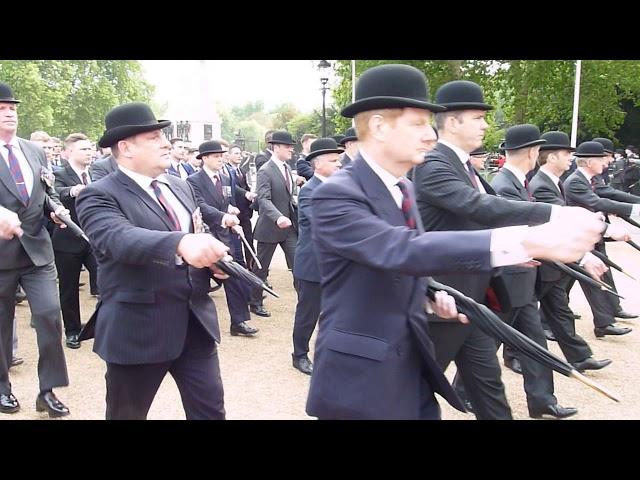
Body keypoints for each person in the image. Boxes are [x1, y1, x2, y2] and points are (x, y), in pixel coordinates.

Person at [305, 64, 604, 420]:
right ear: (379, 127)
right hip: (362, 376)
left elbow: (398, 263)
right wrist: (526, 241)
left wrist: (429, 295)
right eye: (417, 124)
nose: (430, 136)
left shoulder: (404, 189)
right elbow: (398, 249)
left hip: (410, 366)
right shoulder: (337, 194)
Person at [412, 79, 604, 419]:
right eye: (478, 117)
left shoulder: (460, 164)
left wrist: (520, 250)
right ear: (453, 121)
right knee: (410, 394)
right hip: (441, 302)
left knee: (491, 394)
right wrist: (558, 213)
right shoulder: (432, 162)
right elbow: (478, 207)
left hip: (472, 301)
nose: (486, 124)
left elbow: (490, 216)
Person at [76, 102, 230, 419]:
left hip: (194, 323)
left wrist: (211, 263)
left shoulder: (180, 185)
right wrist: (182, 243)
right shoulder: (98, 193)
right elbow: (117, 239)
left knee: (210, 411)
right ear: (125, 147)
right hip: (139, 330)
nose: (166, 143)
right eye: (153, 137)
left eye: (163, 135)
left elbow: (195, 231)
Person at [489, 124, 576, 418]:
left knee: (533, 340)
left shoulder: (517, 183)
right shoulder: (503, 186)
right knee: (485, 342)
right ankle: (464, 389)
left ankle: (542, 401)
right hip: (507, 278)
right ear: (532, 151)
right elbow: (517, 230)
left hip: (522, 279)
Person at [0, 82, 70, 417]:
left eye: (12, 107)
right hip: (0, 256)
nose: (9, 112)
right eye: (1, 108)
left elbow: (46, 191)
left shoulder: (33, 150)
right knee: (1, 324)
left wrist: (55, 209)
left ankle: (47, 391)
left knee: (48, 316)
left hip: (39, 252)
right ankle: (1, 388)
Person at [529, 131, 612, 372]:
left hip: (553, 261)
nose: (571, 158)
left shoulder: (555, 182)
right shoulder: (541, 185)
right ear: (552, 157)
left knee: (559, 310)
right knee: (514, 317)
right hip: (543, 259)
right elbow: (558, 221)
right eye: (567, 153)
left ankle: (580, 356)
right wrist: (593, 236)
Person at [563, 141, 636, 338]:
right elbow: (596, 201)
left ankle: (609, 313)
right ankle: (604, 321)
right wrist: (632, 209)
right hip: (581, 236)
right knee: (588, 279)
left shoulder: (590, 179)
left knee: (576, 280)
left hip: (593, 235)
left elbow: (607, 196)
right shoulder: (576, 181)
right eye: (602, 158)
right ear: (588, 162)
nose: (607, 162)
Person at [187, 140, 259, 337]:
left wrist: (231, 212)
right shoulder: (193, 180)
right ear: (205, 158)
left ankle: (239, 321)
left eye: (222, 156)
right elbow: (200, 205)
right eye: (217, 157)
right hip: (204, 237)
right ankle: (196, 325)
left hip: (225, 237)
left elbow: (224, 202)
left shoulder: (225, 178)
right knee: (199, 284)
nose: (221, 159)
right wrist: (223, 216)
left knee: (234, 277)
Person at [291, 138, 343, 375]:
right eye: (334, 161)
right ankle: (299, 355)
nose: (339, 165)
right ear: (318, 164)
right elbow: (326, 225)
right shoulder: (310, 191)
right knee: (307, 315)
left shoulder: (338, 188)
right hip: (313, 266)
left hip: (335, 267)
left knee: (334, 314)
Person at [53, 133, 99, 349]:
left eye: (90, 148)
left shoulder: (95, 174)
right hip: (67, 239)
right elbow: (54, 194)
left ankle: (103, 326)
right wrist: (73, 190)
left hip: (93, 239)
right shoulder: (59, 174)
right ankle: (72, 330)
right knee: (69, 287)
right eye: (83, 149)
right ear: (69, 152)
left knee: (105, 281)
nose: (89, 152)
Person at [249, 131, 299, 318]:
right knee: (261, 269)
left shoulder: (286, 169)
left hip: (289, 229)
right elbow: (263, 199)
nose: (291, 150)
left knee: (298, 264)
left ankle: (306, 300)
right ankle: (254, 301)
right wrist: (277, 217)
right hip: (270, 228)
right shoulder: (265, 170)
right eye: (287, 146)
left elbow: (286, 197)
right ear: (276, 147)